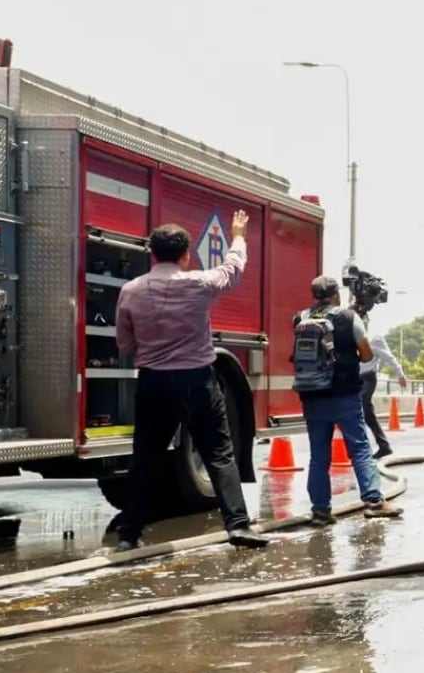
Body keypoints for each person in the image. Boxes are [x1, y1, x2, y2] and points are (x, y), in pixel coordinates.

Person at [113, 211, 268, 551]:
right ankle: (238, 526)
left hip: (153, 382)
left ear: (152, 254)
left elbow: (124, 343)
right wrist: (238, 234)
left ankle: (129, 535)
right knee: (219, 453)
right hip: (197, 380)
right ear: (186, 255)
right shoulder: (199, 283)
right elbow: (233, 270)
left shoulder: (130, 291)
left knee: (146, 457)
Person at [291, 275, 404, 524]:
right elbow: (365, 355)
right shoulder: (348, 317)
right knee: (360, 448)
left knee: (318, 455)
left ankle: (320, 510)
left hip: (312, 395)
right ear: (335, 294)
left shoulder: (300, 318)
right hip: (344, 394)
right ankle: (374, 501)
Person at [359, 312, 408, 459]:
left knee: (364, 407)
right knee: (359, 413)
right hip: (353, 378)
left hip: (368, 378)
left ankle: (382, 445)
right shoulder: (351, 337)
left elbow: (388, 357)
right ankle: (375, 446)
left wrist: (400, 374)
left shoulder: (375, 338)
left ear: (367, 320)